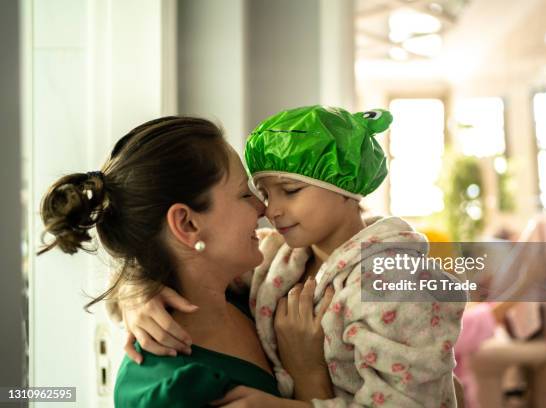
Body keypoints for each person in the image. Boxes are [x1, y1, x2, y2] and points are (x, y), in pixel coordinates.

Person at [117, 106, 467, 407]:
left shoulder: (395, 281)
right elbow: (174, 259)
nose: (269, 210)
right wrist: (136, 287)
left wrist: (300, 391)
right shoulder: (274, 261)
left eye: (290, 190)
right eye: (260, 193)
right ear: (187, 222)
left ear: (346, 185)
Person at [38, 116, 332, 407]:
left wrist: (130, 286)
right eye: (245, 194)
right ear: (187, 224)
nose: (262, 208)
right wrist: (310, 376)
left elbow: (368, 251)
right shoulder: (166, 393)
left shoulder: (255, 290)